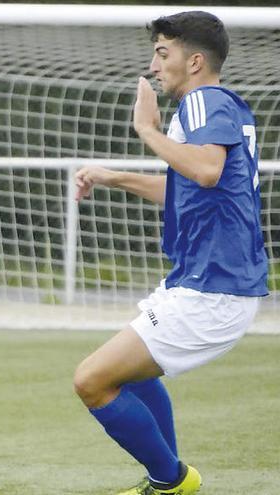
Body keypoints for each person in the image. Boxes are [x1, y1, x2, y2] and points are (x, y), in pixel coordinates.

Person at [73, 11, 267, 495]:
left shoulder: (203, 100)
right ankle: (168, 481)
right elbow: (187, 189)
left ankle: (172, 480)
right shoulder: (208, 111)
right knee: (130, 376)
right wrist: (113, 176)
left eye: (163, 53)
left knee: (92, 380)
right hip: (201, 283)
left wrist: (147, 130)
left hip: (214, 289)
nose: (154, 65)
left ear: (195, 61)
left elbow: (205, 171)